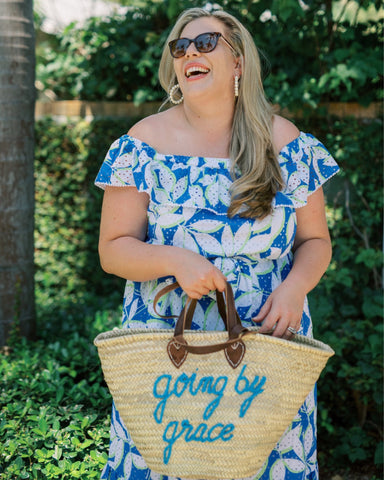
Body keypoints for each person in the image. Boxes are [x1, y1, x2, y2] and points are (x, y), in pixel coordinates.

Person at [95, 6, 339, 480]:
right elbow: (113, 249)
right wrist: (176, 260)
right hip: (166, 351)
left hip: (267, 351)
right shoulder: (143, 142)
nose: (190, 52)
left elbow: (316, 242)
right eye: (180, 46)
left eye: (205, 42)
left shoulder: (285, 142)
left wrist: (293, 290)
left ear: (238, 62)